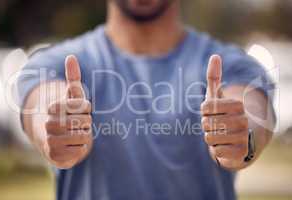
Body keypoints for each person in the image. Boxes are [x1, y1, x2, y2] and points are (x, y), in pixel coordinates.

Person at [17, 0, 276, 199]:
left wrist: (243, 140)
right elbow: (41, 107)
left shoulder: (231, 64)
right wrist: (56, 130)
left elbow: (254, 113)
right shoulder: (52, 65)